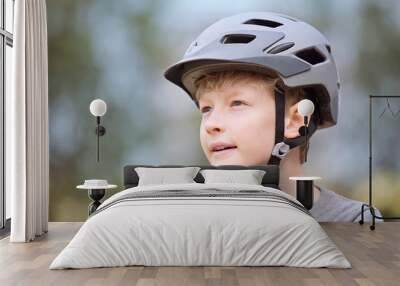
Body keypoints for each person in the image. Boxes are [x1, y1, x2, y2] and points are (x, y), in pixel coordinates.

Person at [164, 12, 382, 223]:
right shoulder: (194, 224)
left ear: (297, 120)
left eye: (237, 103)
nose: (211, 124)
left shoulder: (353, 223)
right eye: (206, 109)